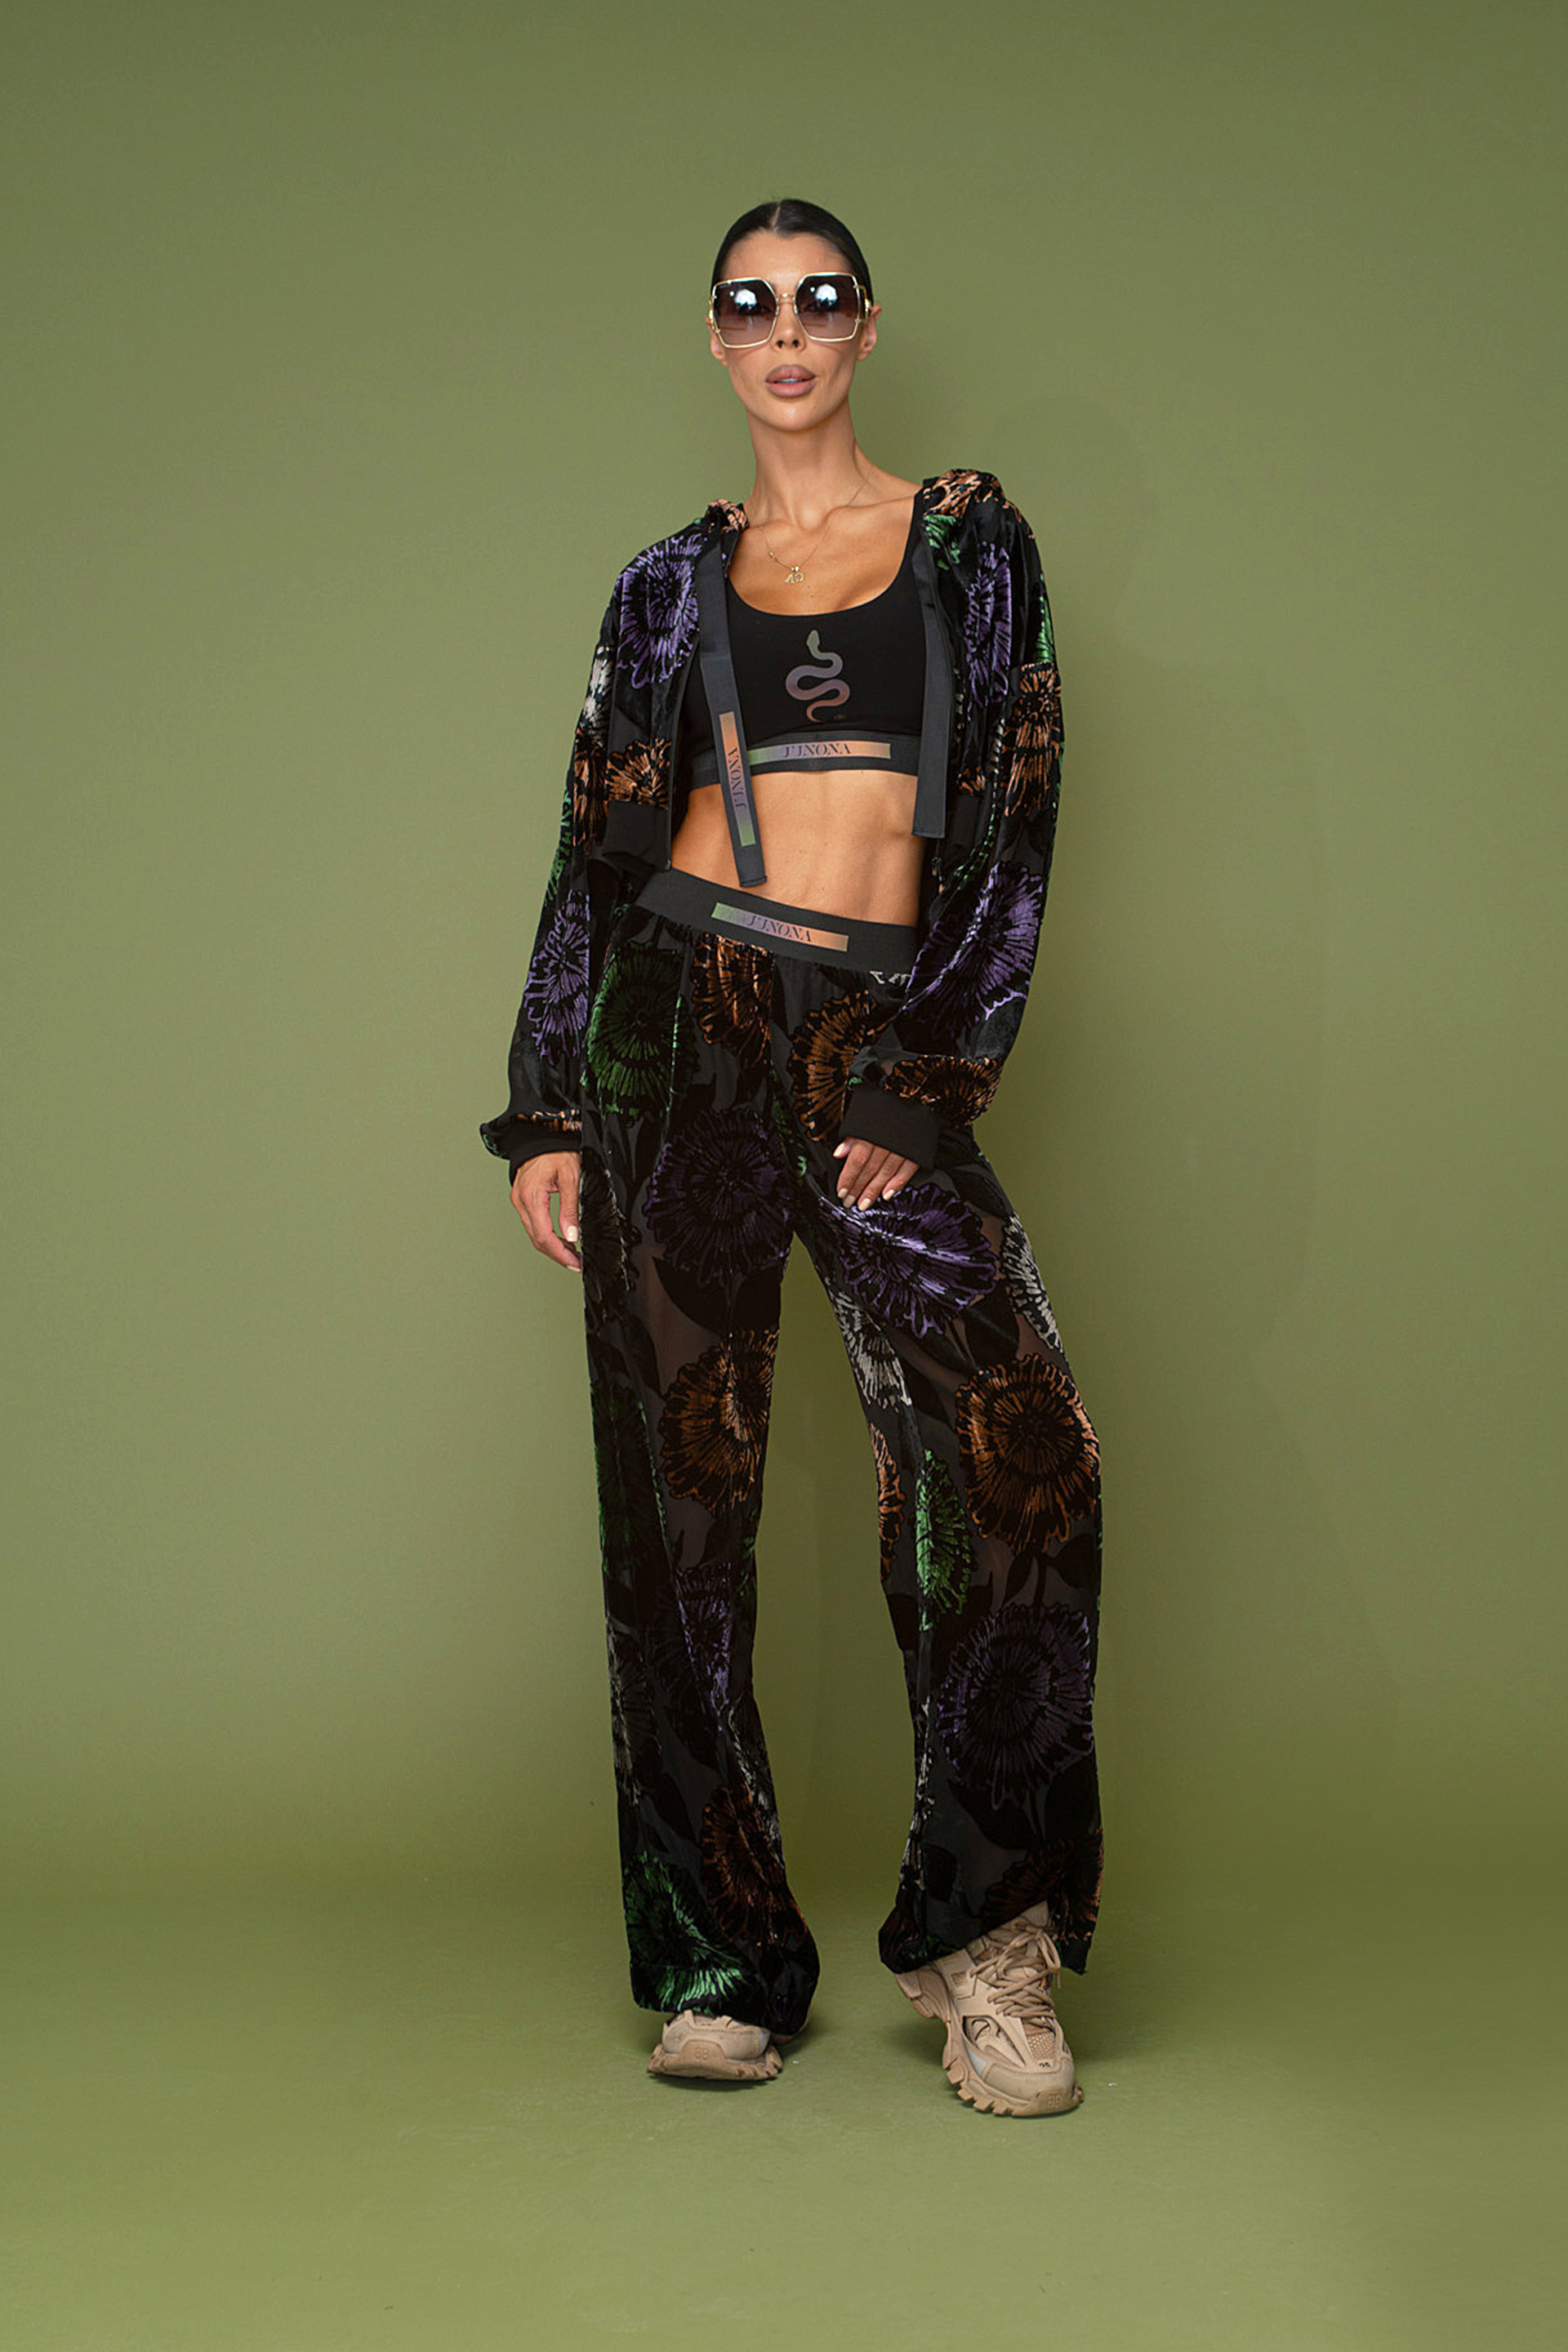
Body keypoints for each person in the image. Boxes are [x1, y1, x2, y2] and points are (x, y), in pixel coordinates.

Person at [480, 197, 1104, 2118]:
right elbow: (600, 841)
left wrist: (924, 1080)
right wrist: (554, 1099)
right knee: (676, 1517)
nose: (786, 330)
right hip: (675, 1026)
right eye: (750, 304)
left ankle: (985, 1948)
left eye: (819, 299)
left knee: (1015, 1460)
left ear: (864, 325)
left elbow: (1015, 811)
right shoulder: (666, 587)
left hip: (870, 1031)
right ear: (716, 335)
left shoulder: (968, 542)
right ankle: (719, 1958)